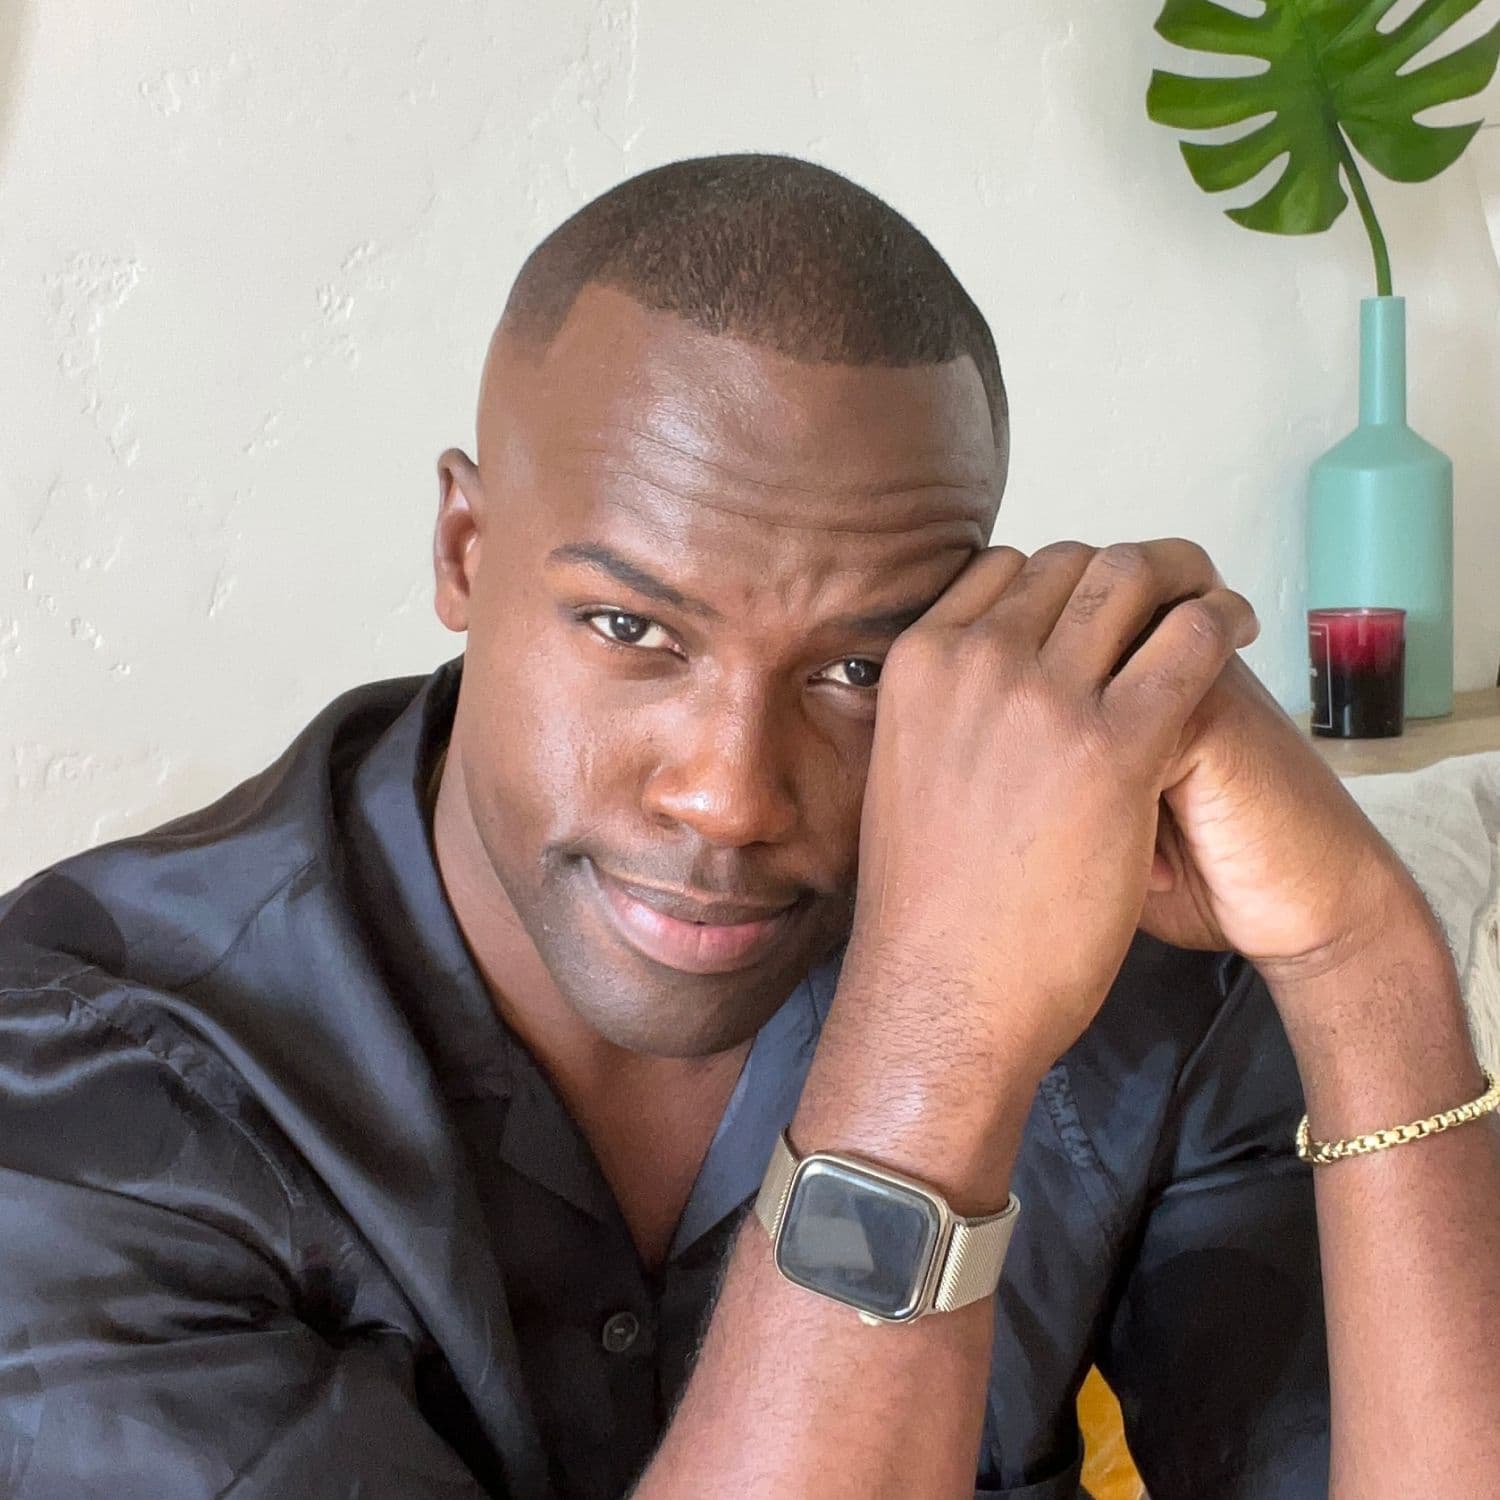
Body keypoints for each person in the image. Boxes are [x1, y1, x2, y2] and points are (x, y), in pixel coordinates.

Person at [0, 153, 1496, 1500]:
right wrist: (935, 1050)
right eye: (628, 627)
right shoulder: (92, 1072)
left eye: (857, 668)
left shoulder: (1120, 962)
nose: (729, 791)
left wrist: (1362, 962)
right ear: (464, 550)